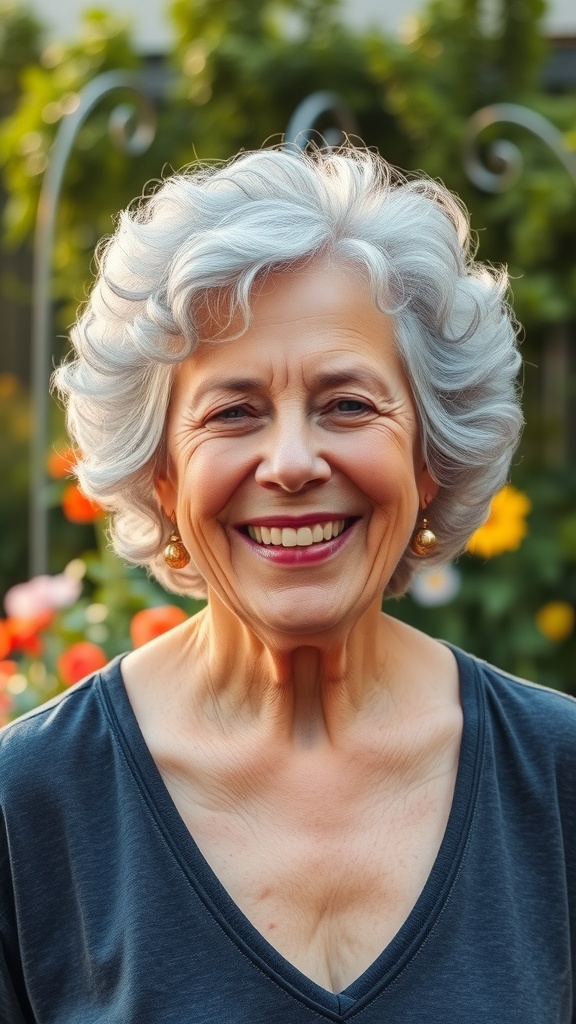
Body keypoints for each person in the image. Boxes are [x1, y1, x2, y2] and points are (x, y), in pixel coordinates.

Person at [1, 145, 575, 1024]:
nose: (295, 463)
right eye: (233, 412)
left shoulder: (560, 779)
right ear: (161, 473)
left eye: (348, 404)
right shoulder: (28, 806)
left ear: (432, 454)